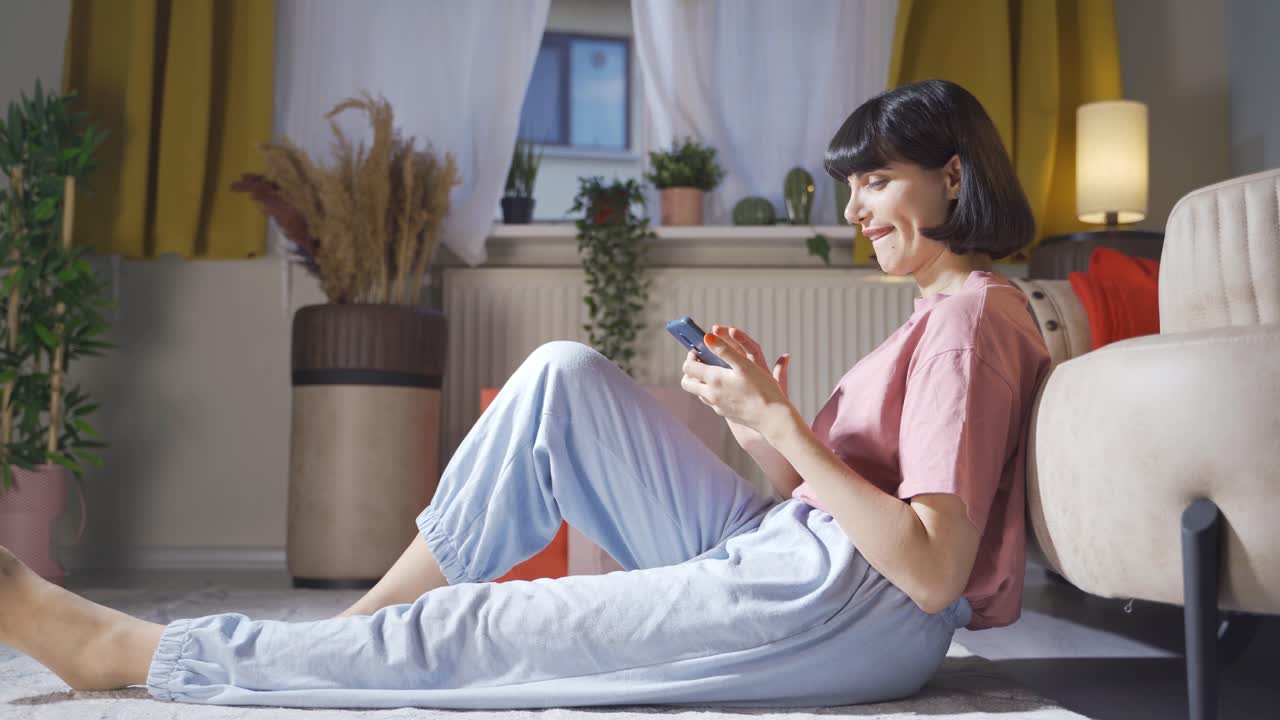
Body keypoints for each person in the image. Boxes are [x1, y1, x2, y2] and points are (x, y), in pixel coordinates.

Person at [0, 78, 1051, 709]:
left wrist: (785, 428)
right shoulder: (940, 315)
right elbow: (821, 499)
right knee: (559, 378)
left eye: (877, 180)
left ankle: (132, 653)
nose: (858, 207)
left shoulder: (965, 322)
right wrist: (761, 421)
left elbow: (928, 570)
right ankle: (356, 630)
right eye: (851, 186)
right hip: (797, 556)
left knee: (493, 630)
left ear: (951, 178)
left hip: (839, 605)